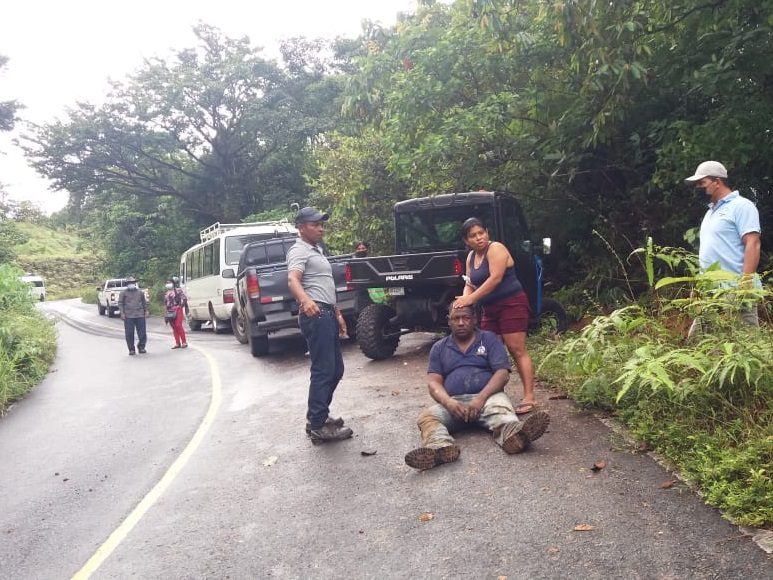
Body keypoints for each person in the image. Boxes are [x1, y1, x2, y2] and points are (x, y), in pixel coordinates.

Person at [405, 305, 550, 470]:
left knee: (501, 412)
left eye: (466, 318)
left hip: (488, 398)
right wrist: (448, 403)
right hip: (454, 403)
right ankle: (439, 448)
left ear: (475, 319)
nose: (461, 322)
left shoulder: (489, 340)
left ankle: (515, 437)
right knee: (427, 418)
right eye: (456, 318)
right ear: (449, 321)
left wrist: (480, 399)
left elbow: (502, 373)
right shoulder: (439, 348)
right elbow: (433, 382)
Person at [451, 217, 538, 414]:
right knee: (488, 351)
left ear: (487, 233)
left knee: (516, 349)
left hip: (511, 303)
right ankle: (496, 396)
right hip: (490, 309)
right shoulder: (470, 257)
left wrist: (471, 299)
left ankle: (529, 397)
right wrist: (463, 302)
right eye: (473, 236)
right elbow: (469, 282)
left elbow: (495, 278)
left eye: (481, 233)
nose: (479, 238)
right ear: (466, 241)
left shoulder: (496, 248)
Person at [287, 207, 353, 443]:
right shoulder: (299, 250)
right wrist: (306, 301)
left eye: (321, 224)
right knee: (324, 370)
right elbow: (293, 280)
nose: (321, 228)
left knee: (336, 370)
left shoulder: (317, 250)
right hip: (316, 315)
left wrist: (337, 313)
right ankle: (317, 425)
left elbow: (323, 285)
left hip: (327, 313)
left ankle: (318, 416)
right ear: (301, 227)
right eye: (315, 224)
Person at [685, 161, 762, 330]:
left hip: (735, 290)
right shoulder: (710, 213)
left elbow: (753, 243)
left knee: (744, 345)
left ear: (717, 182)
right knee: (699, 345)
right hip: (710, 293)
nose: (698, 187)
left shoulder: (741, 206)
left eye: (702, 183)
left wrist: (745, 285)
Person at [118, 276, 149, 355]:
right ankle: (131, 349)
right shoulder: (123, 293)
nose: (131, 284)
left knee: (142, 333)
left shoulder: (140, 292)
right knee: (129, 333)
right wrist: (122, 313)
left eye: (132, 283)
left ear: (134, 283)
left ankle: (141, 347)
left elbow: (144, 302)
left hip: (140, 314)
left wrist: (146, 311)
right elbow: (120, 303)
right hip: (128, 316)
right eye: (129, 283)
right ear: (127, 284)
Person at [164, 277, 188, 349]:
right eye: (167, 283)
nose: (168, 284)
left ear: (173, 283)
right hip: (169, 311)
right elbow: (165, 303)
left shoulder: (178, 290)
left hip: (177, 309)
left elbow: (184, 299)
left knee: (178, 325)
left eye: (169, 283)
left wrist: (180, 306)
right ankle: (177, 343)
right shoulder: (166, 293)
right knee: (174, 327)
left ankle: (184, 342)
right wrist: (165, 312)